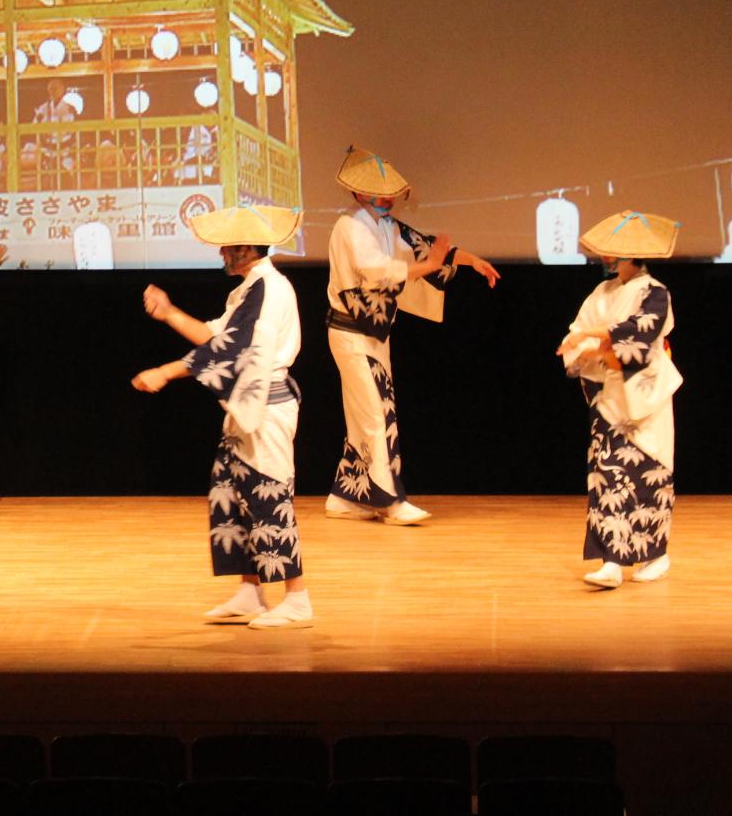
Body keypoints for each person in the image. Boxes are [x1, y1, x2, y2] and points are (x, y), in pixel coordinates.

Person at [133, 205, 314, 629]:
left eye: (227, 248)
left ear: (247, 248)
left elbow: (231, 351)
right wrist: (171, 312)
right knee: (232, 493)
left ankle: (297, 597)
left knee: (267, 492)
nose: (221, 255)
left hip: (265, 405)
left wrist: (166, 372)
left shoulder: (270, 287)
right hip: (247, 405)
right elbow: (218, 335)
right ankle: (251, 591)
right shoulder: (250, 288)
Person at [324, 146, 500, 525]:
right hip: (350, 333)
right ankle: (389, 501)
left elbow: (427, 249)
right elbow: (375, 272)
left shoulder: (387, 227)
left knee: (368, 414)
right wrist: (428, 265)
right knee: (373, 413)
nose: (387, 200)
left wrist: (472, 261)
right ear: (358, 194)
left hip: (374, 332)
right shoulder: (350, 226)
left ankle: (346, 497)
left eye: (390, 194)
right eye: (379, 194)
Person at [558, 211, 682, 589]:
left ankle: (656, 554)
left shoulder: (655, 291)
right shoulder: (603, 292)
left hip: (645, 393)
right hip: (610, 393)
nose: (605, 259)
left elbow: (638, 336)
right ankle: (611, 561)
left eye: (613, 253)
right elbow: (577, 334)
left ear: (631, 256)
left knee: (649, 471)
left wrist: (593, 342)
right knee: (607, 475)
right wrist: (586, 346)